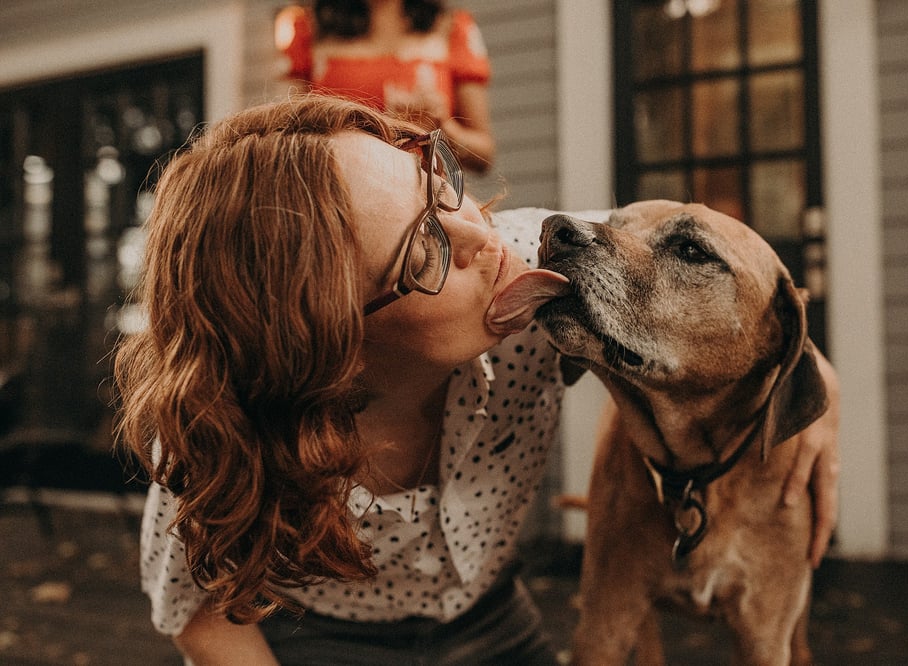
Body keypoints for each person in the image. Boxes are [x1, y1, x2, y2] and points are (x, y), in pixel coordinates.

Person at [114, 94, 839, 665]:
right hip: (310, 639)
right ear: (325, 343)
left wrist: (819, 389)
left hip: (490, 622)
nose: (482, 234)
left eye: (442, 183)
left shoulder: (537, 269)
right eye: (424, 248)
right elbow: (198, 617)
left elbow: (721, 281)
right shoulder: (218, 426)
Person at [275, 0, 495, 173]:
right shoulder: (307, 27)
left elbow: (484, 156)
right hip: (336, 196)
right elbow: (284, 135)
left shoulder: (452, 27)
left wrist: (443, 130)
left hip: (423, 201)